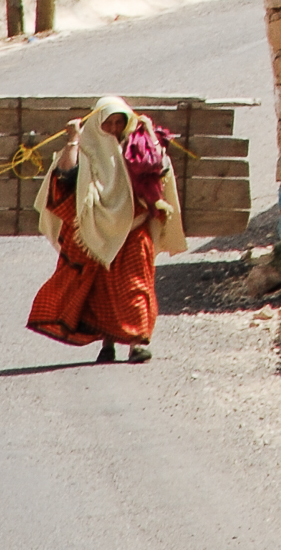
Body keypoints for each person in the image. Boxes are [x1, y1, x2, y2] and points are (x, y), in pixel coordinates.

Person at [28, 95, 186, 363]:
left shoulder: (137, 146)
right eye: (108, 123)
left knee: (136, 287)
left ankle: (137, 343)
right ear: (97, 124)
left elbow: (159, 170)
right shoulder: (84, 148)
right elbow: (64, 176)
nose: (113, 129)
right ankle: (107, 343)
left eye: (118, 123)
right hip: (94, 231)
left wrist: (151, 138)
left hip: (133, 230)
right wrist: (73, 139)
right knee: (99, 290)